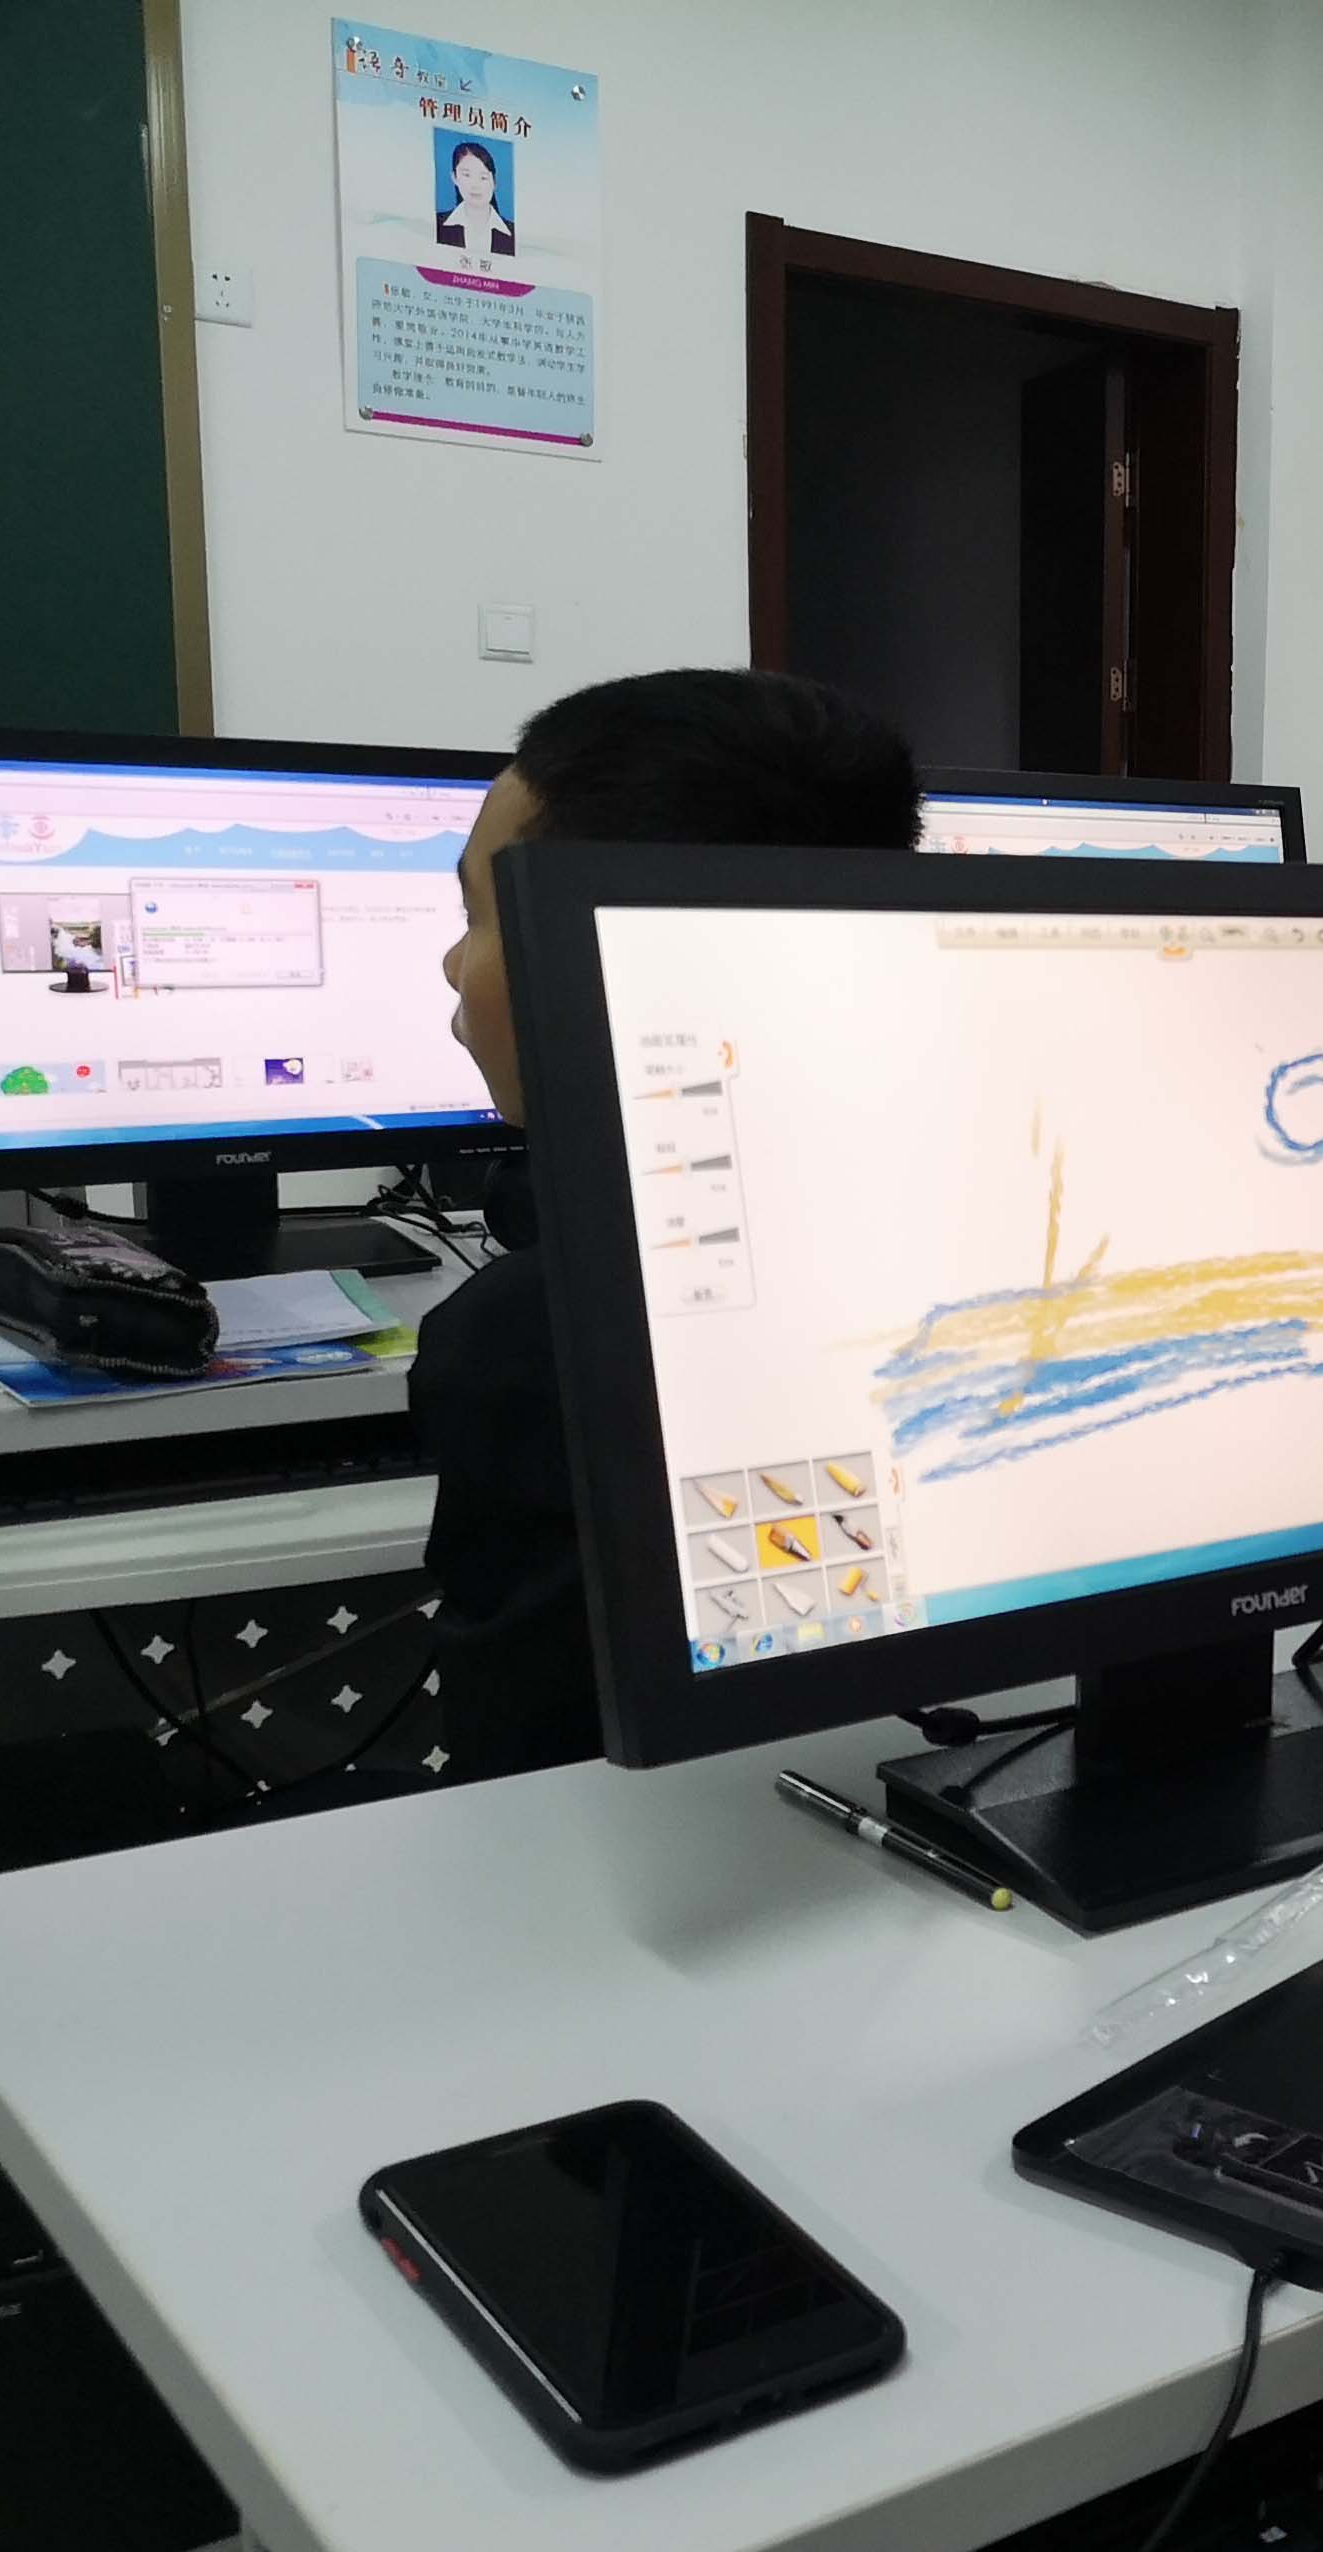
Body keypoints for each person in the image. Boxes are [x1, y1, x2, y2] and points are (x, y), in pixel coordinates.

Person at [421, 670, 918, 1780]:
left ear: (581, 941)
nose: (455, 962)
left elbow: (525, 1770)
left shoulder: (534, 1334)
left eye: (476, 915)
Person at [436, 138, 513, 258]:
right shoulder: (436, 225)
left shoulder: (514, 234)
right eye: (467, 175)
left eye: (483, 177)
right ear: (454, 177)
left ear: (494, 182)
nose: (475, 185)